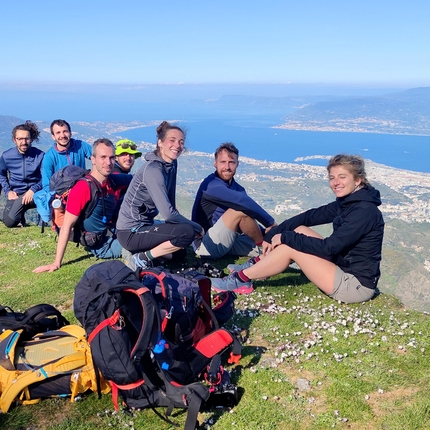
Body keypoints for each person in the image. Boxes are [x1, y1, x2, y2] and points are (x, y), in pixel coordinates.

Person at [211, 154, 385, 304]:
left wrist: (285, 237)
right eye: (332, 178)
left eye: (342, 177)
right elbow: (308, 217)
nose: (336, 183)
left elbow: (330, 247)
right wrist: (271, 234)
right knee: (299, 229)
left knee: (289, 245)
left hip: (355, 285)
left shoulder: (364, 211)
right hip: (342, 268)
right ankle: (259, 265)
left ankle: (241, 280)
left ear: (357, 180)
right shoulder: (348, 203)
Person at [33, 138, 132, 273]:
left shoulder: (111, 180)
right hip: (102, 245)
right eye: (103, 157)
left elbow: (136, 179)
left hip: (112, 231)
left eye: (111, 158)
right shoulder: (83, 188)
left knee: (154, 228)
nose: (108, 163)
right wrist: (56, 263)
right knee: (144, 241)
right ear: (93, 159)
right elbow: (66, 226)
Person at [116, 121, 203, 270]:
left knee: (179, 253)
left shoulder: (171, 164)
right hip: (130, 232)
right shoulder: (153, 170)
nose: (177, 145)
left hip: (146, 225)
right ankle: (140, 258)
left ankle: (142, 252)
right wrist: (197, 227)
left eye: (181, 142)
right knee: (186, 232)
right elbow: (169, 215)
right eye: (172, 140)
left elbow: (171, 201)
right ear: (160, 143)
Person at [191, 142, 277, 259]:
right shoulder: (211, 185)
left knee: (279, 244)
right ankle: (263, 247)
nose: (227, 167)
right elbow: (242, 202)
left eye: (231, 162)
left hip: (229, 241)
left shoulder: (238, 189)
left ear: (237, 164)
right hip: (206, 245)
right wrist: (270, 223)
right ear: (215, 164)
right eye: (223, 162)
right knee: (239, 211)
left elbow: (248, 220)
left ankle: (273, 252)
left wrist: (267, 233)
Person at [0, 121, 44, 227]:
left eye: (27, 138)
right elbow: (1, 174)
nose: (24, 142)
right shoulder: (7, 156)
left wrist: (33, 189)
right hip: (17, 194)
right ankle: (19, 217)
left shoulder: (40, 155)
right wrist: (8, 191)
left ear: (31, 139)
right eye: (20, 139)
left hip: (37, 193)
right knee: (9, 222)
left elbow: (47, 177)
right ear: (14, 140)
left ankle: (46, 220)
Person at [41, 119, 92, 188]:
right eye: (58, 133)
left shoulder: (81, 145)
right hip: (62, 192)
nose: (62, 135)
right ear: (53, 136)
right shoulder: (49, 157)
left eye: (65, 131)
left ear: (70, 133)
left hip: (83, 187)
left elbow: (97, 157)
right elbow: (47, 184)